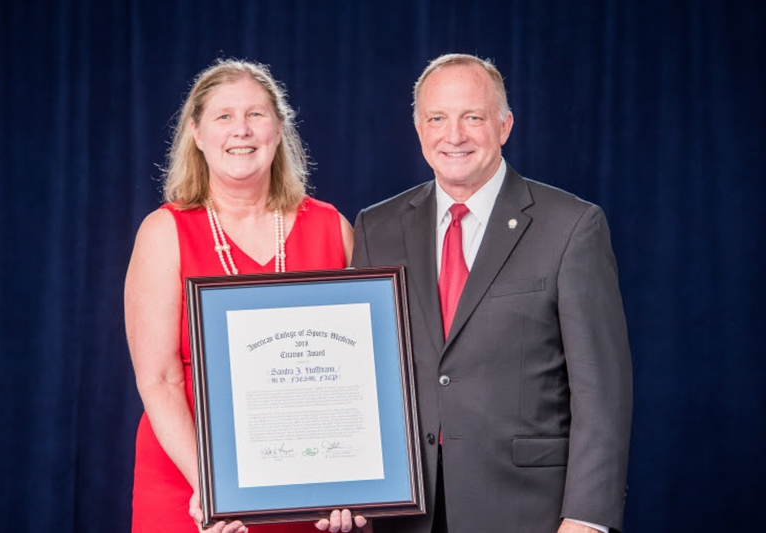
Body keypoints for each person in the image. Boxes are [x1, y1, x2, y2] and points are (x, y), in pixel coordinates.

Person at [319, 54, 633, 533]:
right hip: (404, 513)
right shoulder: (377, 226)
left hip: (528, 510)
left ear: (504, 125)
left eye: (473, 117)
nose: (454, 135)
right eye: (437, 118)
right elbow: (361, 375)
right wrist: (341, 483)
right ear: (419, 129)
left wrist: (587, 518)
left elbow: (601, 391)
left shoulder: (571, 226)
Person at [125, 59, 354, 533]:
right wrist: (212, 488)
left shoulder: (334, 228)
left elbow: (361, 376)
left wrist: (354, 481)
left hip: (307, 487)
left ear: (278, 128)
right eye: (224, 116)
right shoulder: (164, 232)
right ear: (197, 133)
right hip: (189, 484)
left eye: (256, 114)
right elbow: (160, 380)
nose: (241, 130)